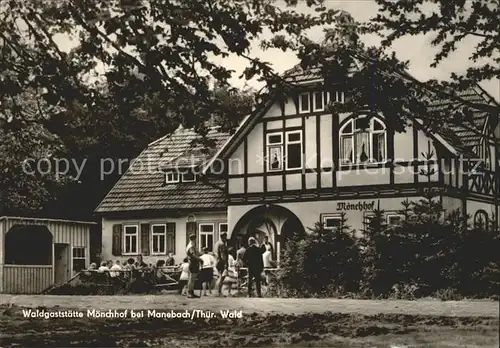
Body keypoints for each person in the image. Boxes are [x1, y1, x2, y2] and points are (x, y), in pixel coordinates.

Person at [186, 234, 201, 298]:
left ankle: (191, 292)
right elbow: (193, 255)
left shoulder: (190, 245)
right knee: (192, 278)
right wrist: (199, 259)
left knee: (192, 278)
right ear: (194, 239)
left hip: (193, 263)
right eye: (195, 239)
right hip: (193, 263)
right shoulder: (191, 246)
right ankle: (190, 292)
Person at [214, 232, 229, 296]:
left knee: (220, 276)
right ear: (224, 237)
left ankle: (217, 291)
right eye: (226, 237)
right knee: (222, 277)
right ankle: (219, 291)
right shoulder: (222, 244)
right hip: (221, 262)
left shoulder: (217, 243)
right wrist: (225, 263)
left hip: (217, 261)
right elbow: (223, 255)